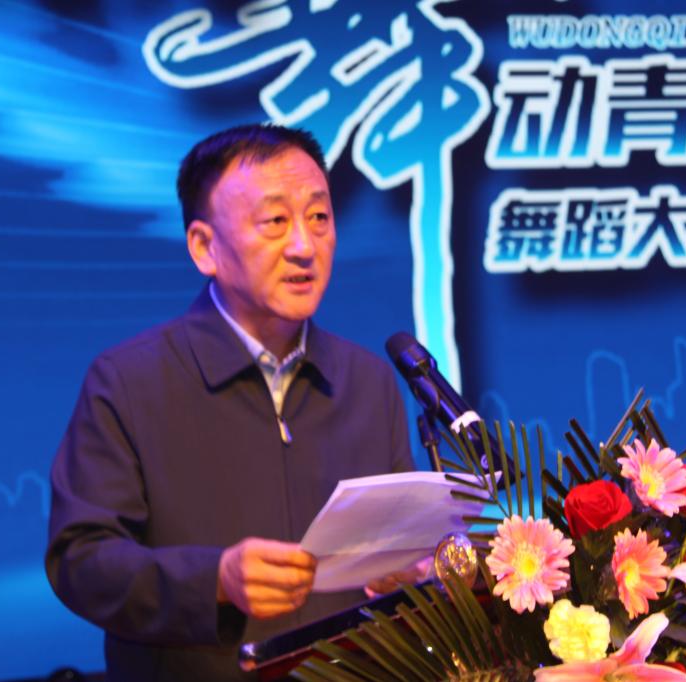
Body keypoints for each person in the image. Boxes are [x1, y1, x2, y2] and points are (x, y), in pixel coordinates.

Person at [45, 124, 416, 680]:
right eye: (275, 222)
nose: (304, 246)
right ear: (205, 247)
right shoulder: (128, 381)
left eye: (319, 217)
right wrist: (214, 580)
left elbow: (395, 546)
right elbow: (80, 560)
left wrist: (410, 569)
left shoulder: (367, 380)